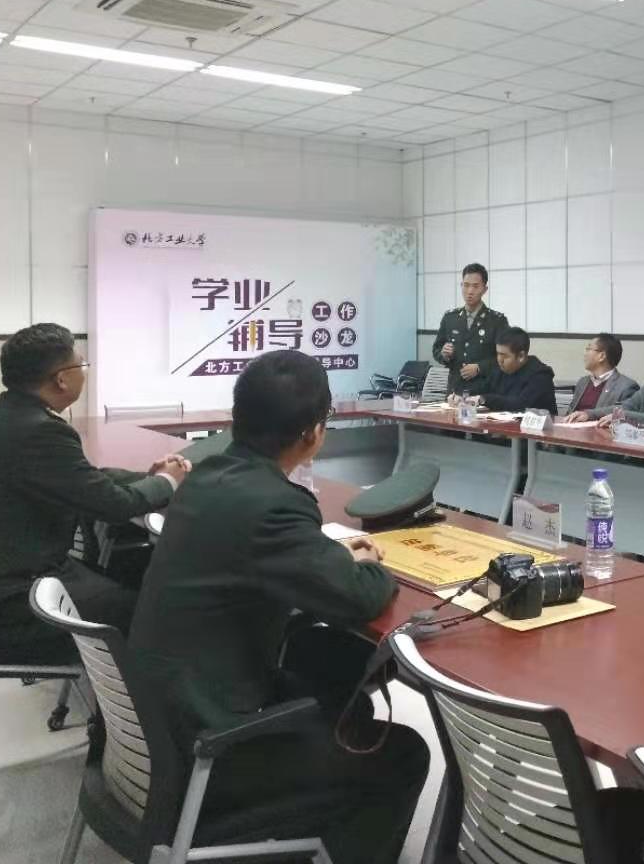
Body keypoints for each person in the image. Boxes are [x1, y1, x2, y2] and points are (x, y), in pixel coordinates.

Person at [128, 350, 429, 863]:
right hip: (206, 748)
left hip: (154, 726)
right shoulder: (274, 504)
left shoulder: (206, 476)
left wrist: (328, 556)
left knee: (336, 678)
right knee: (402, 753)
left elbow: (256, 552)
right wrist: (370, 562)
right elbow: (360, 597)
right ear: (313, 433)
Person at [0, 323, 186, 655]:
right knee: (152, 610)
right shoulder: (39, 431)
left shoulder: (10, 415)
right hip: (12, 602)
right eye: (81, 364)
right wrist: (168, 483)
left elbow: (84, 479)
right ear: (61, 379)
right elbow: (115, 507)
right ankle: (126, 689)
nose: (84, 371)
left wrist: (150, 478)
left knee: (129, 572)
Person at [431, 263, 507, 394]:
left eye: (475, 286)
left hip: (485, 391)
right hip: (455, 391)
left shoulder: (497, 321)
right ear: (461, 286)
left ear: (485, 289)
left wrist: (480, 367)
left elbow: (506, 357)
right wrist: (443, 354)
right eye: (466, 285)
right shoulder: (450, 318)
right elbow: (436, 349)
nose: (470, 291)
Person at [469, 327, 558, 413]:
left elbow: (520, 405)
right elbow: (483, 389)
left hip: (539, 423)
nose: (499, 360)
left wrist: (484, 399)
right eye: (498, 354)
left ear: (521, 356)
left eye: (504, 356)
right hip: (501, 421)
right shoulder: (500, 369)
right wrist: (466, 396)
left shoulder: (541, 376)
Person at [564, 333, 639, 417]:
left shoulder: (626, 387)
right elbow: (569, 413)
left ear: (602, 356)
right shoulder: (582, 382)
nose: (585, 354)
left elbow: (625, 415)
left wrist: (589, 415)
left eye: (588, 349)